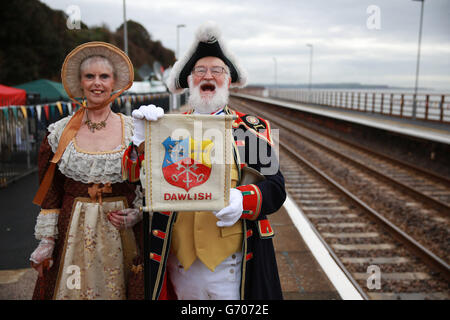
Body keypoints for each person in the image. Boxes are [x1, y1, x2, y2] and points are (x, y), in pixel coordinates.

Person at [123, 21, 286, 300]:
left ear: (228, 80)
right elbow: (134, 178)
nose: (208, 75)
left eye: (217, 70)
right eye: (200, 70)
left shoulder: (251, 131)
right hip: (179, 265)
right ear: (189, 80)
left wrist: (242, 200)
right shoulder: (166, 127)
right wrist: (140, 141)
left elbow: (276, 188)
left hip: (231, 266)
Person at [29, 42, 144, 300]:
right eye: (89, 76)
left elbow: (146, 183)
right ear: (80, 83)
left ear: (114, 82)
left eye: (104, 76)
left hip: (122, 235)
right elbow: (51, 193)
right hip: (73, 232)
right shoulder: (59, 133)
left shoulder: (134, 131)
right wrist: (47, 242)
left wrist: (138, 213)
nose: (97, 83)